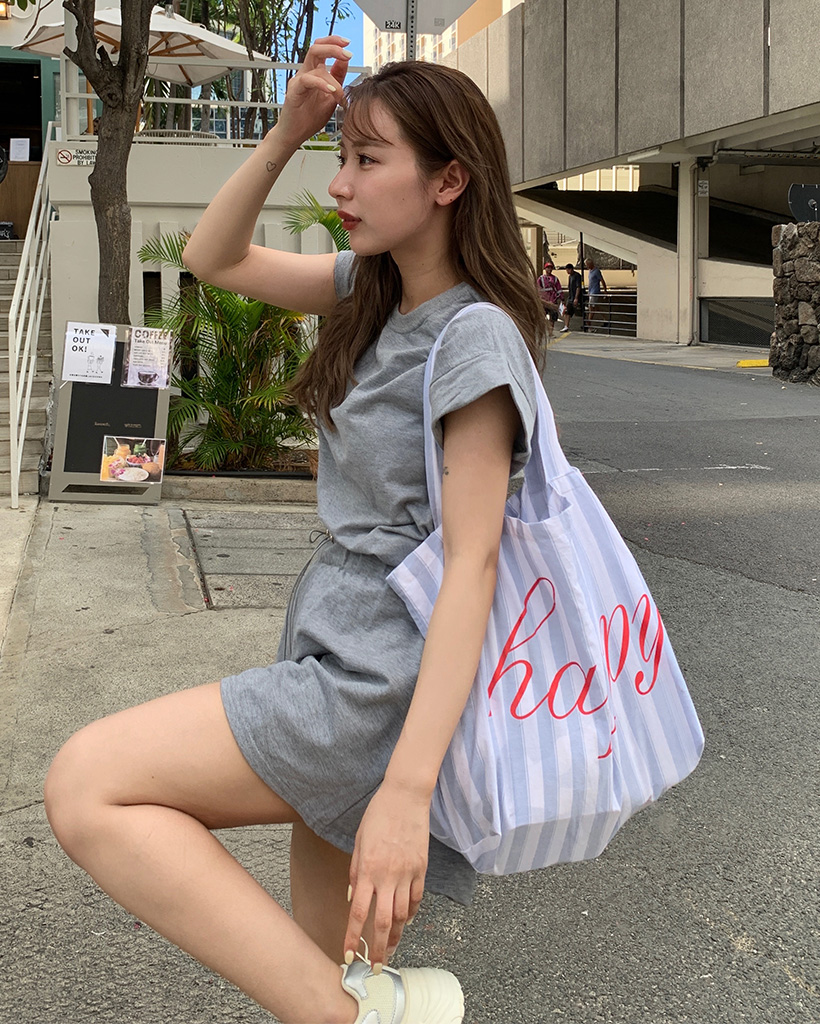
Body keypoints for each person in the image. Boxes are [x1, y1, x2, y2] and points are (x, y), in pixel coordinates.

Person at [43, 37, 545, 1024]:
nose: (342, 183)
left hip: (375, 676)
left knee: (88, 784)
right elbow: (212, 257)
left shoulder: (473, 335)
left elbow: (474, 564)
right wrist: (287, 130)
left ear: (449, 180)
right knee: (322, 963)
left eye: (368, 159)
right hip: (333, 637)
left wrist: (406, 791)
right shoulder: (372, 290)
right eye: (341, 156)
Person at [536, 259, 564, 339]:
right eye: (548, 268)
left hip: (552, 301)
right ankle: (541, 332)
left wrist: (561, 298)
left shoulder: (555, 279)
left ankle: (550, 333)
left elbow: (559, 289)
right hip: (544, 301)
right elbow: (537, 288)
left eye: (551, 268)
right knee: (541, 317)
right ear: (545, 269)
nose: (549, 269)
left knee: (553, 318)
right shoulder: (541, 279)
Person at [584, 256, 607, 332]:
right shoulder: (590, 271)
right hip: (591, 292)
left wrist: (605, 291)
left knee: (591, 308)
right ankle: (605, 319)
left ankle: (588, 325)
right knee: (596, 307)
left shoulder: (596, 271)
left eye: (587, 265)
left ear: (590, 264)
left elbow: (602, 280)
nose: (586, 266)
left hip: (595, 292)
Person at [561, 262, 583, 333]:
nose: (567, 271)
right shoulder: (570, 277)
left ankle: (587, 324)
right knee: (567, 311)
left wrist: (576, 298)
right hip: (571, 297)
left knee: (581, 311)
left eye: (568, 270)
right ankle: (566, 326)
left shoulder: (577, 276)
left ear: (571, 269)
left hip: (575, 297)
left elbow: (578, 287)